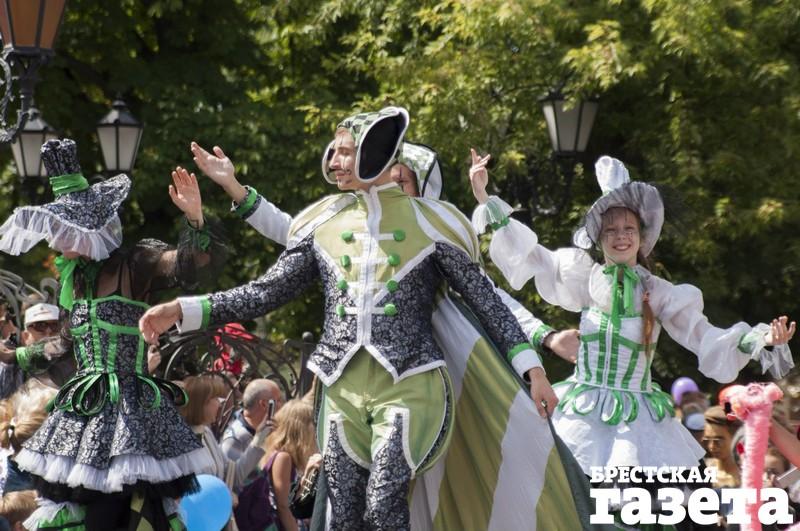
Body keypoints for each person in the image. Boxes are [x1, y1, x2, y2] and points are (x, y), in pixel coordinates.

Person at [140, 107, 584, 530]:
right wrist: (185, 309)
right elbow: (265, 291)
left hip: (410, 385)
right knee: (343, 515)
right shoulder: (323, 222)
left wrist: (534, 370)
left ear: (378, 150)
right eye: (333, 152)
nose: (334, 161)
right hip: (342, 390)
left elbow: (487, 302)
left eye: (345, 151)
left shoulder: (434, 224)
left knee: (384, 505)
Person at [469, 152, 796, 477]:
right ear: (599, 238)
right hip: (581, 413)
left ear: (641, 237)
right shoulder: (584, 277)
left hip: (638, 422)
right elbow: (531, 255)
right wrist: (484, 196)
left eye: (629, 228)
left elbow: (703, 335)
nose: (621, 236)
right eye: (611, 230)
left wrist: (759, 338)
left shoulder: (660, 292)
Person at [0, 138, 226, 530]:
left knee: (128, 508)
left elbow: (190, 264)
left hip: (129, 409)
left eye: (61, 227)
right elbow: (66, 342)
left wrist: (194, 220)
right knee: (83, 507)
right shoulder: (78, 281)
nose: (53, 238)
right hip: (84, 408)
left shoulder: (134, 265)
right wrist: (13, 356)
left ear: (85, 229)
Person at [235, 399, 318, 531]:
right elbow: (283, 506)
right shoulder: (283, 458)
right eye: (313, 423)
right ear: (301, 428)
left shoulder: (280, 452)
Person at [181, 375, 272, 492]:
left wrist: (260, 437)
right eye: (215, 399)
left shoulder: (206, 432)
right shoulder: (183, 441)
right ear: (201, 403)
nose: (220, 404)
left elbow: (234, 476)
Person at [221, 378, 283, 462]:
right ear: (264, 404)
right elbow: (233, 471)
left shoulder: (266, 429)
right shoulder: (236, 440)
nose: (282, 405)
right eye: (278, 400)